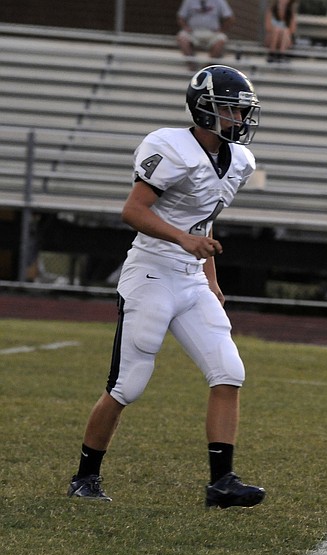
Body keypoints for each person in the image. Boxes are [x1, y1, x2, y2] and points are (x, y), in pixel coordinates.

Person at [67, 65, 265, 509]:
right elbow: (133, 210)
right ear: (206, 111)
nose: (240, 118)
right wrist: (183, 240)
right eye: (232, 109)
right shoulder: (170, 146)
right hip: (152, 272)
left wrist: (211, 278)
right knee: (128, 384)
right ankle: (85, 477)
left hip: (191, 278)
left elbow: (204, 218)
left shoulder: (238, 161)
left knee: (229, 371)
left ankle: (222, 483)